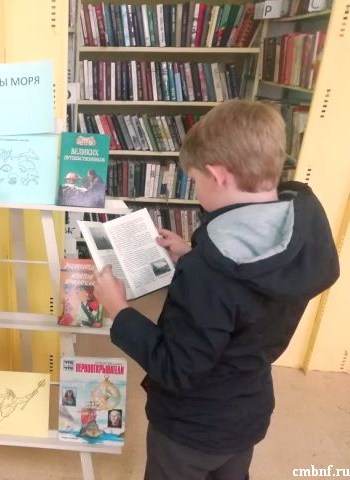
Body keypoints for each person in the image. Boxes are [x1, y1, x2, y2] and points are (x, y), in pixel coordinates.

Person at [92, 100, 339, 480]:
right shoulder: (297, 235)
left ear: (218, 175)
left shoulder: (209, 272)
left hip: (191, 428)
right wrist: (192, 254)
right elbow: (248, 289)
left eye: (195, 180)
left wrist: (119, 310)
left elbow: (176, 368)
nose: (195, 190)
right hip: (248, 413)